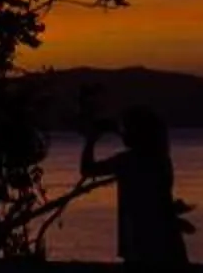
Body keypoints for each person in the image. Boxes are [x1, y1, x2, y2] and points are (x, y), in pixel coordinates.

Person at [81, 105, 193, 265]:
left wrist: (91, 140)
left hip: (140, 239)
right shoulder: (161, 160)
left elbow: (88, 169)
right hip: (165, 235)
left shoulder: (128, 161)